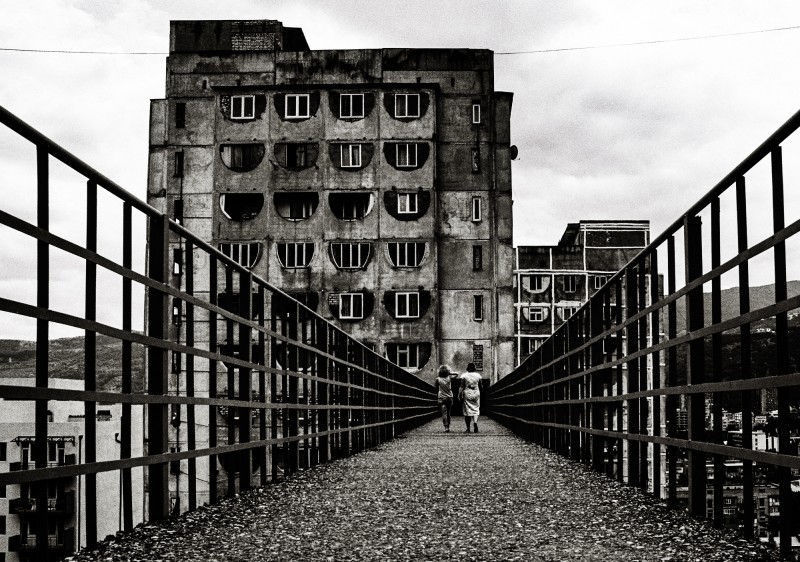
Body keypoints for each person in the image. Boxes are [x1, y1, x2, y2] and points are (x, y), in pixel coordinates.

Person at [459, 363, 482, 433]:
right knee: (476, 408)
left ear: (467, 368)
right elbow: (481, 386)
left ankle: (468, 428)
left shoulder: (464, 376)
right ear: (474, 368)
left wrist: (459, 394)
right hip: (476, 393)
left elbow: (461, 386)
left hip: (467, 393)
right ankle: (475, 422)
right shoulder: (478, 375)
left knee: (467, 410)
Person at [435, 365, 458, 432]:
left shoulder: (438, 379)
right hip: (449, 397)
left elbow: (436, 388)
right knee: (448, 412)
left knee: (444, 413)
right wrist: (449, 373)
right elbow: (457, 374)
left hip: (441, 397)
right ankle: (448, 426)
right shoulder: (449, 378)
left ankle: (446, 427)